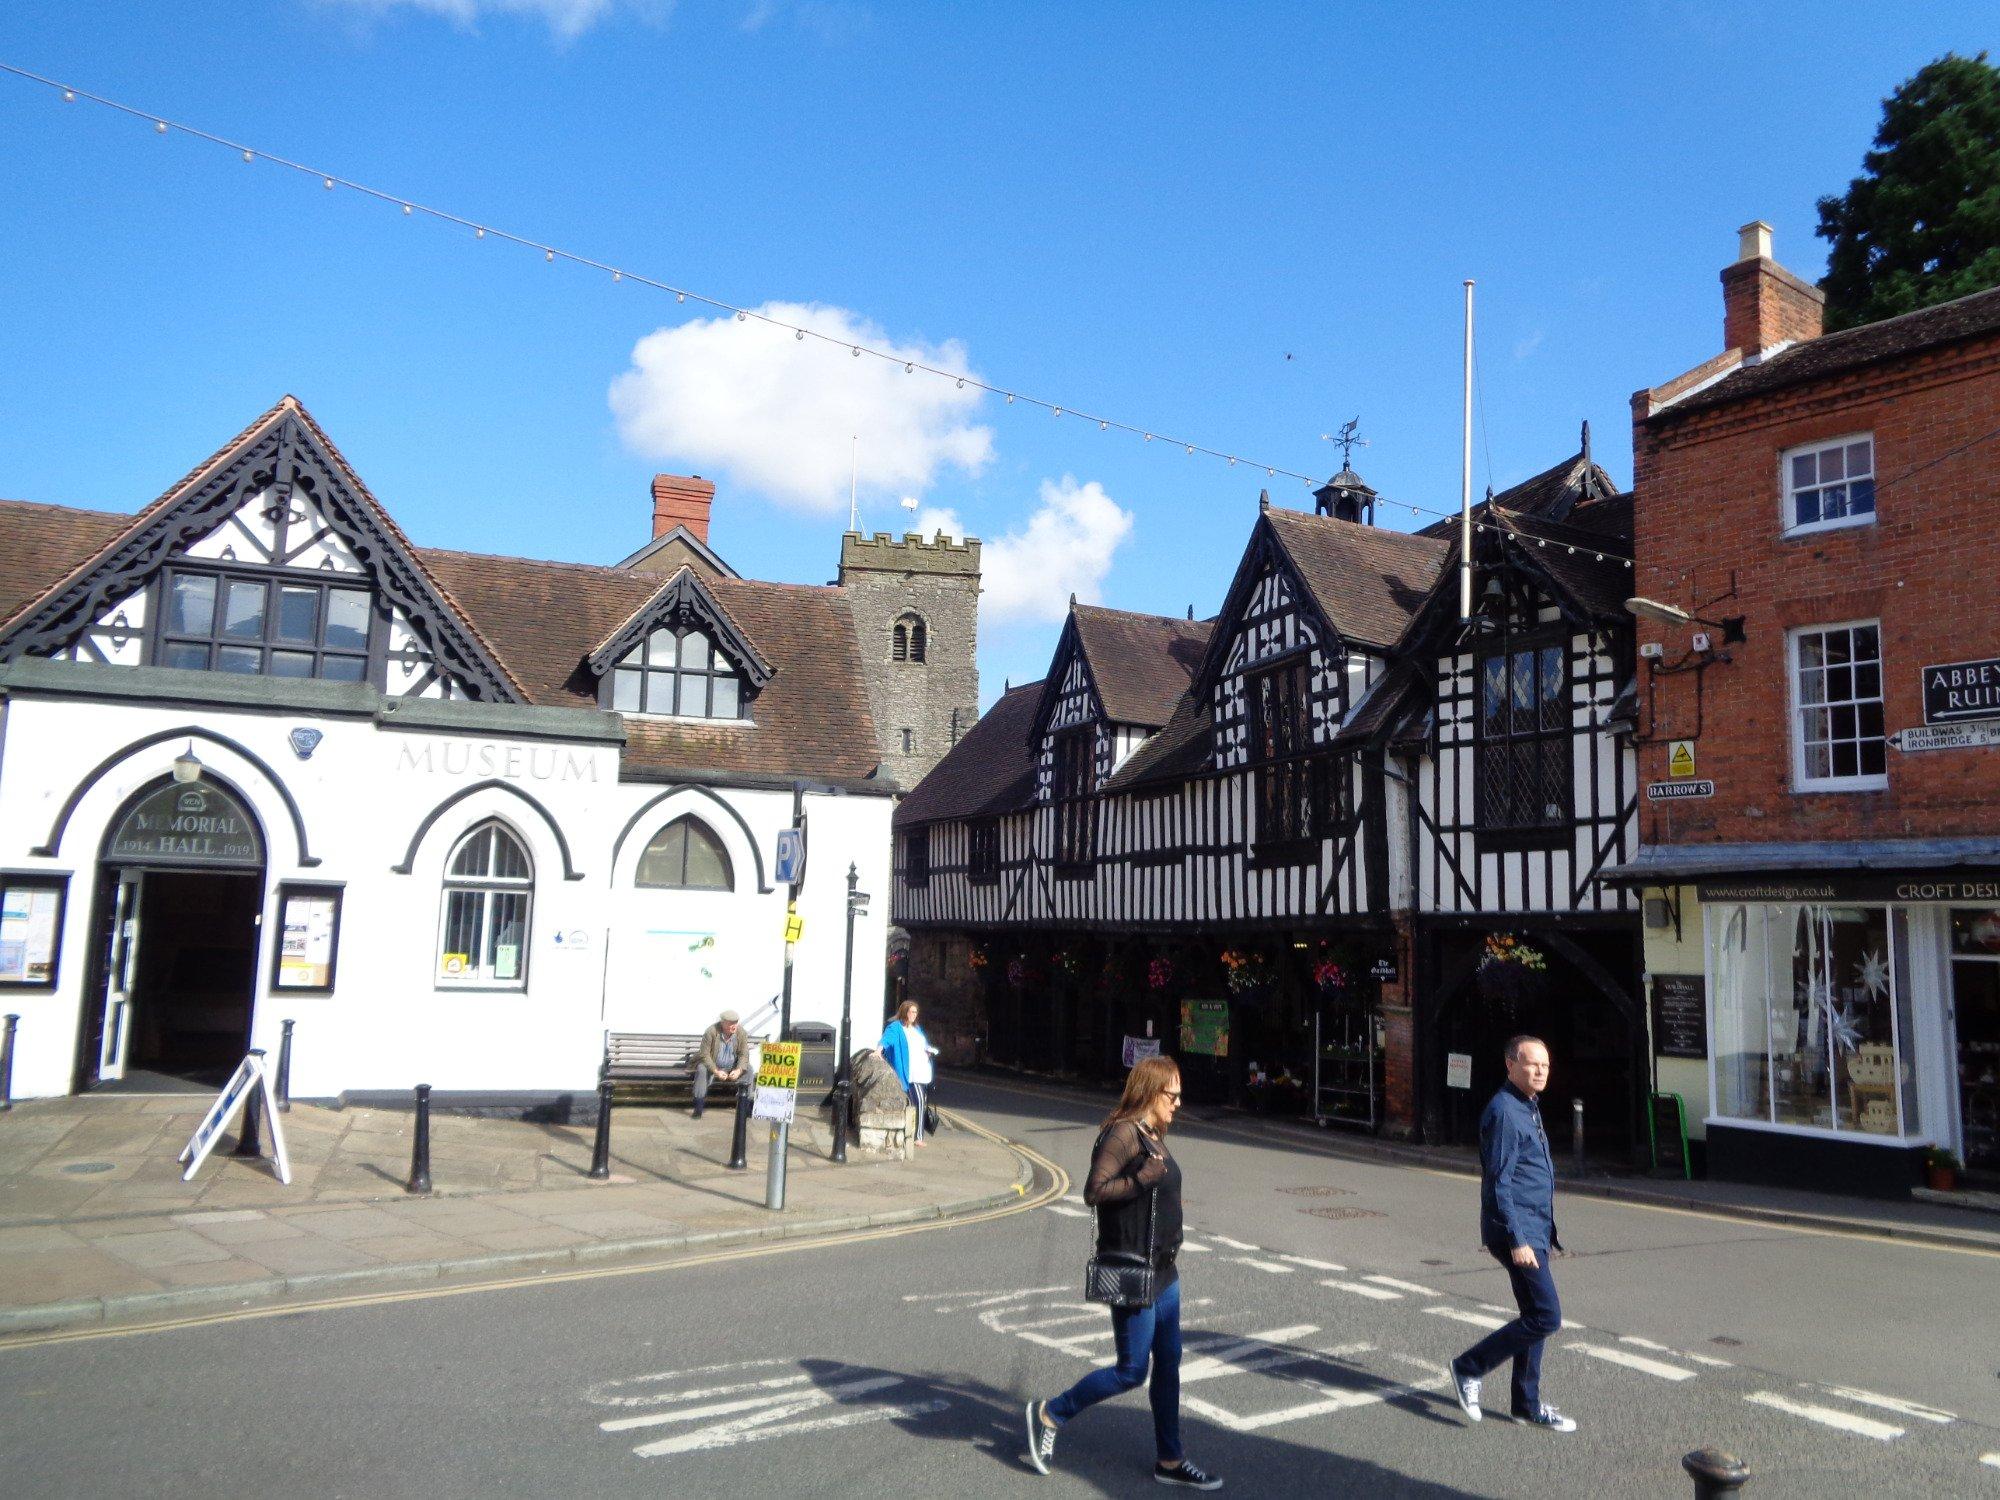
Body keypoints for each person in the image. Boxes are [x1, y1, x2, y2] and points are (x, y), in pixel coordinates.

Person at [1024, 1056, 1222, 1491]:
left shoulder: (1152, 1134)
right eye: (1173, 1095)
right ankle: (1050, 1413)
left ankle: (1170, 1460)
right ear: (1150, 1092)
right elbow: (1094, 1191)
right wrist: (1143, 1180)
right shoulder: (1123, 1133)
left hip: (1165, 1273)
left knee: (1169, 1362)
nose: (1178, 1103)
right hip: (1134, 1272)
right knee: (1132, 1370)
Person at [1448, 1035, 1576, 1433]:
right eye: (1531, 1064)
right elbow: (1499, 1183)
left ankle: (1526, 1404)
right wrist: (1519, 1239)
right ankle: (1469, 1367)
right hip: (1514, 1230)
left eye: (1546, 1066)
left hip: (1533, 1228)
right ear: (1510, 1064)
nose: (1540, 1071)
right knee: (1546, 1315)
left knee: (1534, 1315)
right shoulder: (1505, 1111)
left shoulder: (1528, 1107)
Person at [878, 1000, 941, 1146]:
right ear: (905, 1012)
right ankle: (918, 1137)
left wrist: (928, 1051)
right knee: (918, 1102)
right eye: (911, 1011)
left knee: (918, 1102)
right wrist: (878, 1050)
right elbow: (887, 1040)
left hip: (921, 1071)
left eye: (916, 1012)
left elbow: (922, 1045)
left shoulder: (917, 1028)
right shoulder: (896, 1027)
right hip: (908, 1072)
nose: (914, 1014)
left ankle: (915, 1134)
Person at [691, 1009, 746, 1119]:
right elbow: (704, 1055)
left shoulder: (741, 1032)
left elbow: (744, 1054)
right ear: (723, 1023)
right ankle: (698, 1107)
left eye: (736, 1022)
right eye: (731, 1023)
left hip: (732, 1066)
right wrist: (716, 1071)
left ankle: (746, 1107)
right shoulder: (711, 1032)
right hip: (713, 1064)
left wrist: (739, 1069)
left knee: (748, 1069)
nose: (734, 1026)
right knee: (702, 1069)